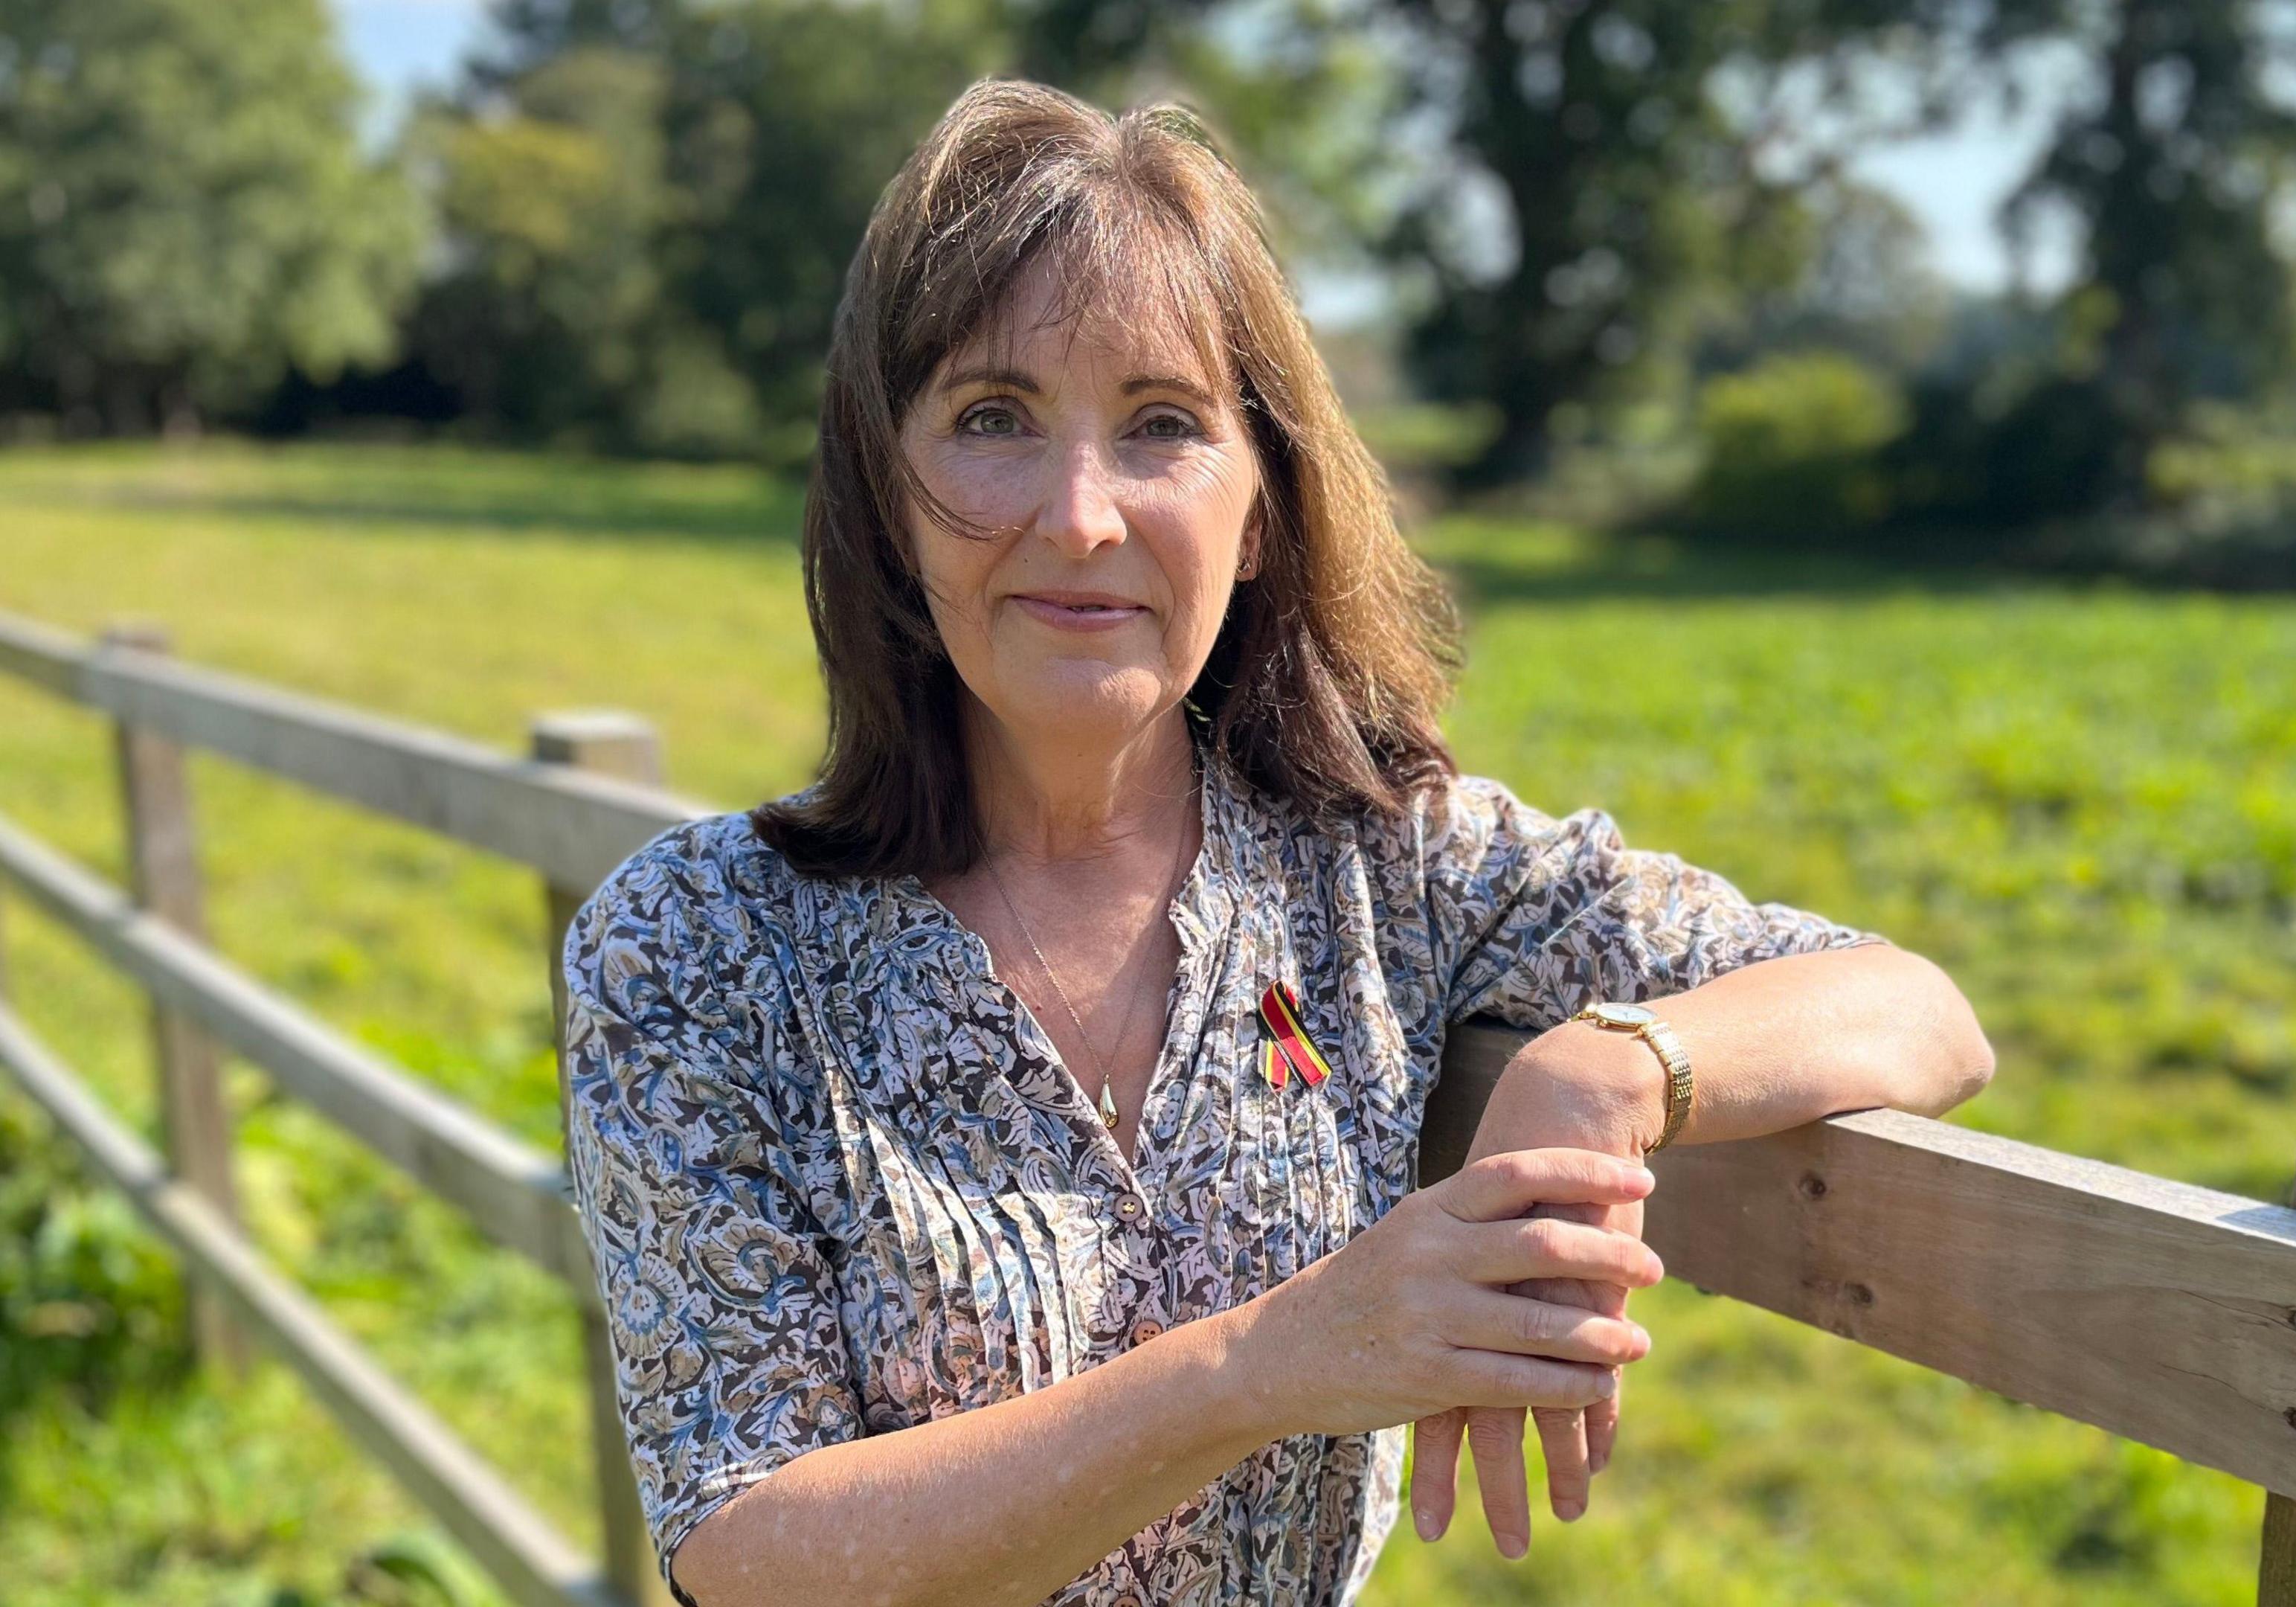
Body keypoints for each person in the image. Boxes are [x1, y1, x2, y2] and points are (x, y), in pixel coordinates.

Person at [556, 77, 1996, 1607]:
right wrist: (1276, 1359)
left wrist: (1610, 1067)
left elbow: (1917, 1009)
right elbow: (748, 1550)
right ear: (887, 497)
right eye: (993, 420)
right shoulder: (699, 942)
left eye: (1163, 425)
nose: (1083, 515)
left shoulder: (1389, 870)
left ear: (1259, 511)